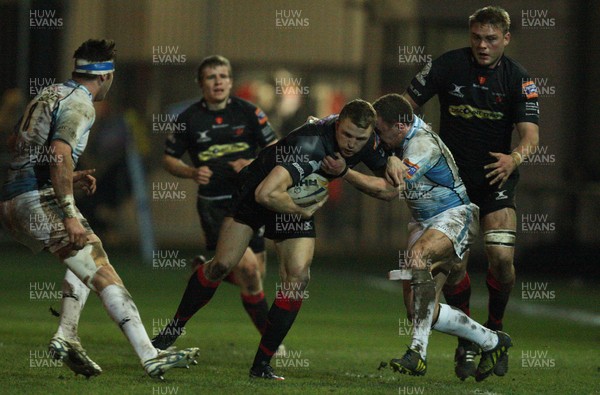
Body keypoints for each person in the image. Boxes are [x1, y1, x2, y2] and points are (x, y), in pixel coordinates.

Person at [154, 99, 399, 380]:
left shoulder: (365, 140)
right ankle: (169, 333)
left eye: (360, 139)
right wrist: (303, 211)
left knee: (297, 279)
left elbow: (391, 191)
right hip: (256, 193)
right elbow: (266, 194)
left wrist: (383, 159)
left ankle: (261, 366)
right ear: (337, 125)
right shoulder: (309, 146)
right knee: (221, 266)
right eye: (346, 135)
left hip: (292, 200)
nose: (352, 144)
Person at [0, 39, 199, 380]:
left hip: (14, 198)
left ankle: (68, 335)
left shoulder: (49, 92)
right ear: (106, 77)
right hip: (36, 200)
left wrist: (67, 177)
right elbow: (60, 152)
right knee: (103, 271)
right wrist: (68, 211)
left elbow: (15, 144)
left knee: (83, 260)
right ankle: (149, 355)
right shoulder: (82, 104)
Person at [323, 93, 512, 381]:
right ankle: (493, 341)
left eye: (380, 131)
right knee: (418, 310)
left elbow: (388, 192)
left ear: (399, 127)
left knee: (417, 257)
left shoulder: (422, 145)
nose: (377, 137)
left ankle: (417, 354)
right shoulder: (398, 135)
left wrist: (345, 173)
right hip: (422, 222)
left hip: (453, 215)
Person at [401, 5, 539, 380]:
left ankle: (494, 330)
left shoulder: (519, 80)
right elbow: (405, 108)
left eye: (491, 39)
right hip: (451, 185)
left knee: (500, 258)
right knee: (456, 268)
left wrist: (514, 159)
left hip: (496, 178)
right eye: (477, 37)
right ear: (470, 35)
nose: (482, 45)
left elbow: (530, 137)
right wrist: (408, 146)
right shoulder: (447, 66)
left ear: (506, 39)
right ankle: (468, 341)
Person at [152, 55, 279, 350]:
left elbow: (275, 148)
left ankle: (204, 271)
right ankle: (272, 345)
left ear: (231, 81)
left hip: (251, 200)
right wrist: (192, 171)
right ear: (201, 84)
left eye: (223, 76)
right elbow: (169, 158)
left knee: (254, 274)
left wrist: (252, 163)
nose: (218, 82)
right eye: (211, 77)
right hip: (216, 203)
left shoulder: (249, 112)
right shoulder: (188, 119)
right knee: (247, 270)